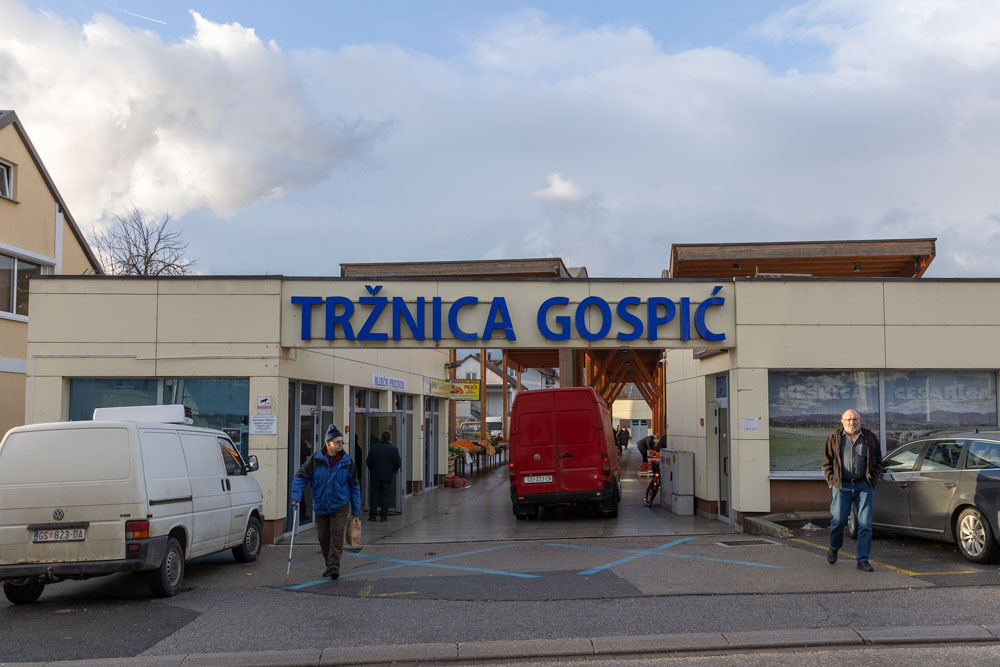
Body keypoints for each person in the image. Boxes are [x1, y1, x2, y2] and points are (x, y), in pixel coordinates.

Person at [291, 424, 361, 580]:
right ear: (328, 443)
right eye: (337, 442)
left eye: (341, 442)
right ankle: (329, 564)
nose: (340, 445)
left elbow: (355, 486)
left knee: (336, 534)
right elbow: (300, 477)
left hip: (340, 504)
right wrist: (296, 497)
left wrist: (356, 510)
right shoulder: (316, 460)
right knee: (323, 537)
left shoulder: (347, 462)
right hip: (321, 503)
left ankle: (334, 566)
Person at [821, 409, 884, 572]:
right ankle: (834, 547)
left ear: (860, 420)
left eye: (855, 419)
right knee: (839, 521)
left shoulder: (869, 437)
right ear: (842, 421)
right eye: (848, 419)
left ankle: (862, 560)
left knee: (865, 524)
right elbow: (827, 463)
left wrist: (872, 479)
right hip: (842, 486)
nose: (851, 422)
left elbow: (879, 461)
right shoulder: (834, 437)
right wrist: (832, 480)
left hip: (864, 486)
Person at [366, 430, 402, 522]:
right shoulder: (393, 449)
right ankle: (383, 516)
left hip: (375, 476)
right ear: (389, 438)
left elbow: (368, 461)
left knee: (374, 495)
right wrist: (392, 471)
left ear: (381, 438)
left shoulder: (374, 447)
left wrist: (372, 469)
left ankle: (373, 515)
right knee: (385, 495)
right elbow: (398, 463)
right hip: (387, 476)